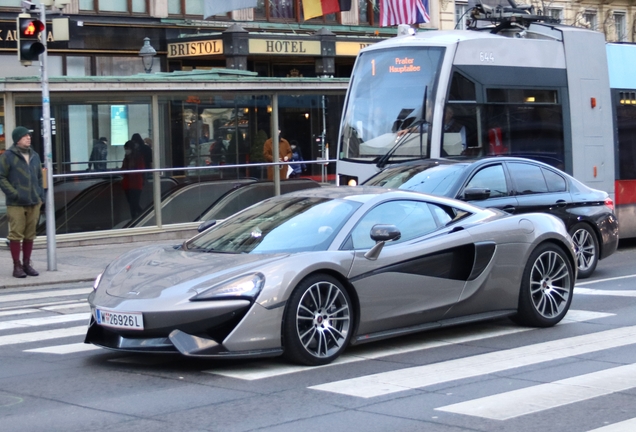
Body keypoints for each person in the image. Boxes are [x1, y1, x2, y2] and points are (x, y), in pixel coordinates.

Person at [0, 126, 45, 278]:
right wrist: (14, 194)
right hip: (16, 203)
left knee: (30, 235)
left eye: (29, 135)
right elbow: (1, 177)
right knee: (16, 234)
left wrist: (40, 195)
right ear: (17, 139)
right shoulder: (8, 156)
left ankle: (26, 264)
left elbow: (39, 177)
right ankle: (16, 266)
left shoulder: (35, 155)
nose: (29, 138)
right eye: (25, 136)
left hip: (33, 201)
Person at [121, 140, 145, 220]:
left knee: (134, 204)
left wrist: (128, 173)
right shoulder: (126, 158)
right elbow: (123, 169)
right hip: (128, 185)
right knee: (132, 204)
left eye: (127, 148)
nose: (126, 150)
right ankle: (140, 218)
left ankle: (139, 218)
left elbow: (140, 170)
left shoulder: (138, 158)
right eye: (125, 149)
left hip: (136, 184)